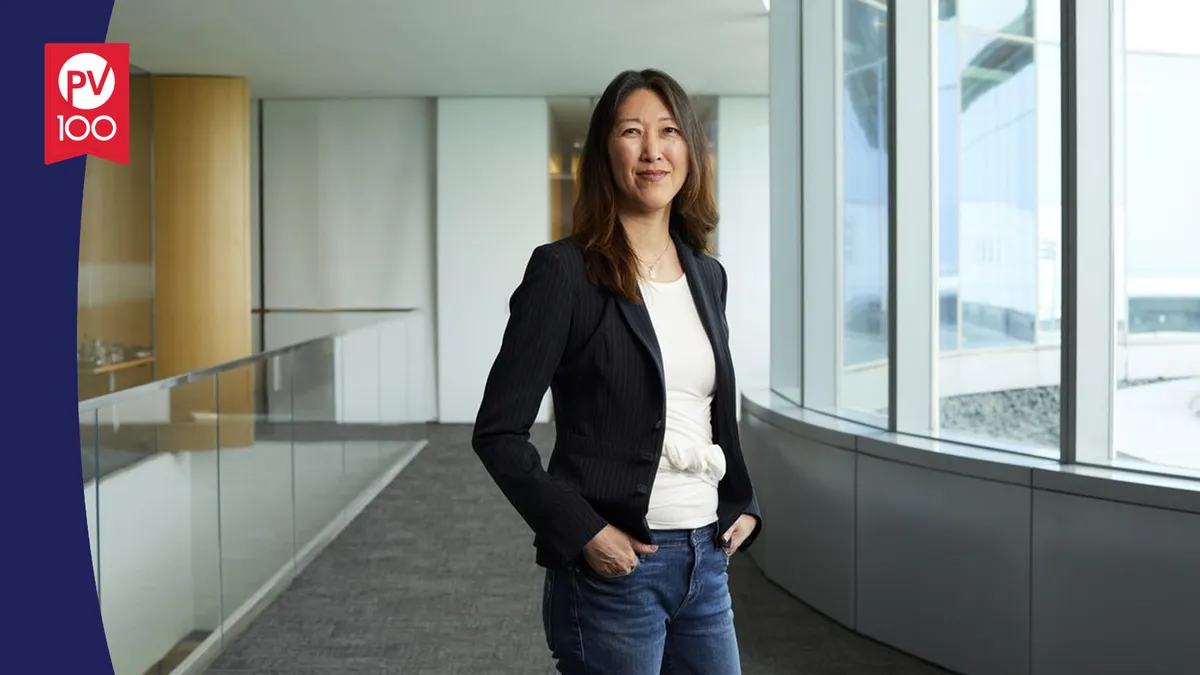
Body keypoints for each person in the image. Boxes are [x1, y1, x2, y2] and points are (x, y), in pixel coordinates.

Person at [471, 68, 762, 675]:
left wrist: (744, 501)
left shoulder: (707, 275)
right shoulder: (564, 272)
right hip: (617, 569)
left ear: (690, 151)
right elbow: (498, 432)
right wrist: (584, 533)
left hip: (706, 558)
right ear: (607, 152)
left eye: (669, 132)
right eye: (632, 132)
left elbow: (706, 407)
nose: (653, 150)